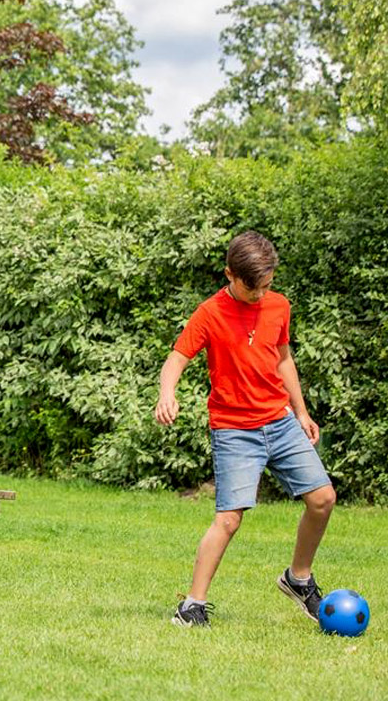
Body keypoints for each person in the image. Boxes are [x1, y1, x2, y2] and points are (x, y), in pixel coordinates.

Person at [155, 231, 336, 627]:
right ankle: (191, 607)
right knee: (229, 520)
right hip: (235, 430)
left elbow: (283, 359)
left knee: (323, 498)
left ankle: (298, 579)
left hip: (280, 421)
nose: (260, 295)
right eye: (252, 288)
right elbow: (176, 358)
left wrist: (301, 413)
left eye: (266, 286)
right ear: (229, 275)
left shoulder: (279, 305)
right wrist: (167, 394)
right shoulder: (210, 313)